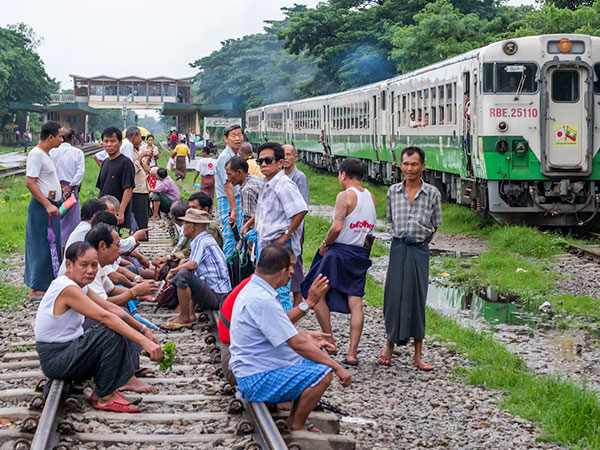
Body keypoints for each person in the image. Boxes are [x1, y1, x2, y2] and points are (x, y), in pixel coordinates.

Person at [229, 243, 351, 432]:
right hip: (256, 380)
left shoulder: (255, 290)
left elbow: (276, 326)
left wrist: (306, 334)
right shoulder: (262, 299)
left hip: (253, 370)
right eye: (291, 267)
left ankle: (297, 416)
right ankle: (297, 424)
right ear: (281, 270)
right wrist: (337, 366)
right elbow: (296, 343)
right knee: (323, 373)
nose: (293, 272)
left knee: (313, 358)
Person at [35, 241, 162, 413]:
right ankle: (105, 397)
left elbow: (110, 307)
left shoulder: (79, 286)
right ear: (69, 265)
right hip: (57, 358)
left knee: (116, 325)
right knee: (110, 330)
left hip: (66, 352)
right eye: (84, 265)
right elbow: (105, 316)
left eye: (94, 265)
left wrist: (143, 330)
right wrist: (144, 342)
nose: (90, 270)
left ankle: (101, 392)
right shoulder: (67, 288)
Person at [303, 158, 376, 366]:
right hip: (361, 253)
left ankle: (329, 341)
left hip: (339, 253)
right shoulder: (371, 197)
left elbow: (337, 227)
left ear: (343, 174)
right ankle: (352, 354)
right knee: (356, 302)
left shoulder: (344, 196)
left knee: (315, 293)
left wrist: (325, 243)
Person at [378, 146, 442, 371]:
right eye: (405, 164)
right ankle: (389, 348)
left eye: (414, 164)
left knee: (417, 296)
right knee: (393, 296)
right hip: (398, 248)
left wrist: (421, 237)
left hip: (419, 250)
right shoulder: (392, 192)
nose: (409, 169)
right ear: (400, 165)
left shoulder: (432, 193)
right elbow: (389, 220)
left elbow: (435, 224)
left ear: (423, 166)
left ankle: (418, 356)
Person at [241, 142, 308, 312]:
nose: (263, 164)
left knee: (280, 290)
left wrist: (286, 236)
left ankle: (285, 330)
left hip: (280, 246)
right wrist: (250, 225)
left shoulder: (284, 184)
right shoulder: (267, 183)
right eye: (260, 161)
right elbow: (264, 213)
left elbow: (300, 210)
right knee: (270, 289)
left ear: (280, 162)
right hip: (268, 245)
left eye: (268, 160)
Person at [161, 209, 231, 330]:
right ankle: (189, 314)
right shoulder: (203, 239)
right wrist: (183, 263)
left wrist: (173, 271)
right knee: (185, 272)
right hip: (218, 293)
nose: (183, 228)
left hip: (219, 296)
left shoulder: (202, 241)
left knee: (183, 275)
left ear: (192, 226)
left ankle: (184, 318)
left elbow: (193, 265)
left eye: (185, 224)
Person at [24, 121, 63, 301]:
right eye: (60, 136)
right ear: (51, 137)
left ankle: (46, 285)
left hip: (51, 205)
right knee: (41, 245)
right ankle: (37, 288)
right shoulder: (36, 155)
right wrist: (47, 204)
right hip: (42, 207)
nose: (62, 140)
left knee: (51, 246)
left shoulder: (46, 154)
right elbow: (30, 182)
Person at [282, 144, 309, 306]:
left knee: (295, 262)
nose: (286, 158)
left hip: (295, 227)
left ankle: (298, 297)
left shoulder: (299, 177)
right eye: (283, 155)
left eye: (289, 155)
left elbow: (303, 206)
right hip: (283, 227)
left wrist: (292, 228)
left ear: (295, 157)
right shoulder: (280, 175)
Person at [50, 128, 85, 251]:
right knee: (71, 220)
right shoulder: (77, 152)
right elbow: (80, 172)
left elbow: (49, 170)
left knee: (55, 216)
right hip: (71, 190)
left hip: (53, 189)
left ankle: (55, 247)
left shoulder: (52, 152)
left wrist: (59, 186)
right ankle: (69, 247)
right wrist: (70, 187)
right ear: (72, 138)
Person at [96, 127, 135, 229]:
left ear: (120, 143)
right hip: (104, 212)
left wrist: (121, 211)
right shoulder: (105, 162)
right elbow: (101, 188)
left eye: (113, 141)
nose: (109, 145)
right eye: (106, 141)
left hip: (118, 214)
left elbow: (128, 188)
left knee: (120, 241)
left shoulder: (125, 163)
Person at [215, 125, 244, 258]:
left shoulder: (236, 155)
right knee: (230, 237)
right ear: (226, 139)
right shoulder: (225, 157)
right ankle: (228, 272)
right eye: (234, 135)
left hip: (236, 200)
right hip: (229, 201)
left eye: (240, 134)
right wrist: (234, 209)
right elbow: (228, 185)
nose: (238, 138)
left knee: (238, 237)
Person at [225, 156, 262, 226]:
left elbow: (251, 221)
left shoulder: (247, 190)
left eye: (229, 174)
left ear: (239, 172)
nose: (228, 178)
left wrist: (245, 231)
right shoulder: (255, 179)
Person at [131, 139, 151, 233]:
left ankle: (143, 235)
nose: (141, 140)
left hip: (143, 188)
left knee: (143, 215)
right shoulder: (130, 152)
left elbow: (145, 169)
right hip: (137, 189)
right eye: (139, 138)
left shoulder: (136, 151)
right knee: (139, 215)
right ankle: (138, 235)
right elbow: (132, 170)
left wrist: (148, 158)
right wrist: (141, 156)